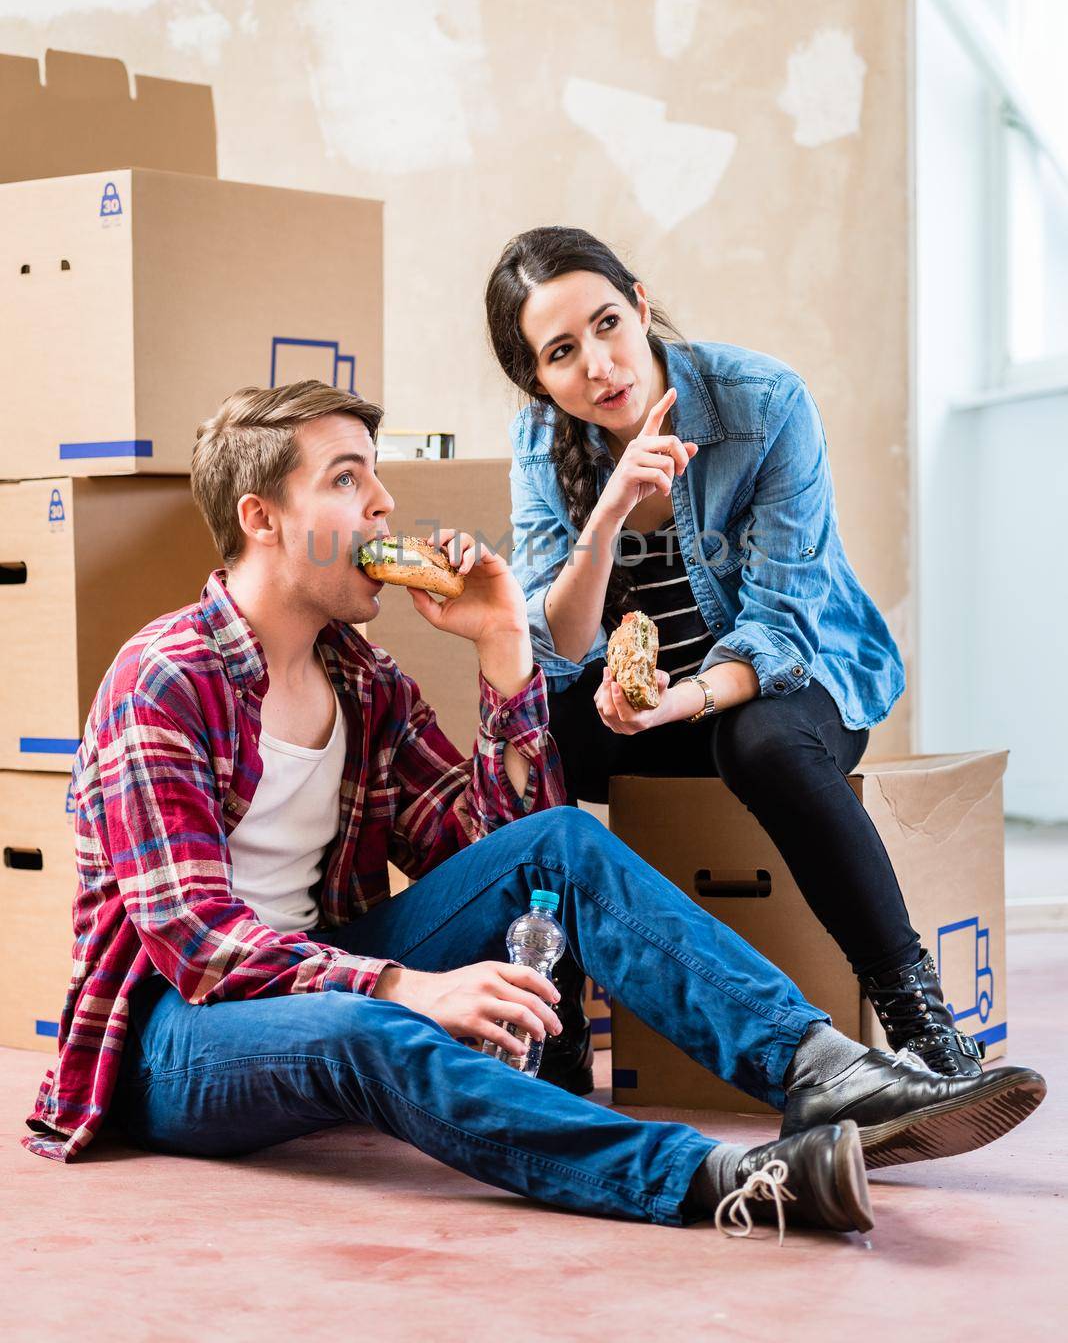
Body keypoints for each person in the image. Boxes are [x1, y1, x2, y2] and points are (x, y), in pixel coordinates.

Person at [24, 381, 1044, 1242]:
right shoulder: (165, 678)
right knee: (368, 1027)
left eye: (376, 473)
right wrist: (405, 985)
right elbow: (199, 945)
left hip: (320, 962)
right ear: (261, 517)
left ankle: (819, 1068)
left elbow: (510, 858)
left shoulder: (365, 684)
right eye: (346, 479)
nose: (383, 502)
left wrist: (506, 649)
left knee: (559, 844)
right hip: (172, 1034)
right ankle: (714, 1181)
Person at [486, 225, 984, 1093]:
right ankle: (557, 1027)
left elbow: (784, 623)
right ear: (538, 377)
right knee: (531, 734)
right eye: (563, 352)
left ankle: (921, 1021)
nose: (600, 365)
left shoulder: (764, 402)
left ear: (640, 306)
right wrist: (605, 516)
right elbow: (558, 647)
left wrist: (675, 701)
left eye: (608, 324)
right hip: (636, 711)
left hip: (786, 686)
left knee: (755, 742)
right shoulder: (540, 442)